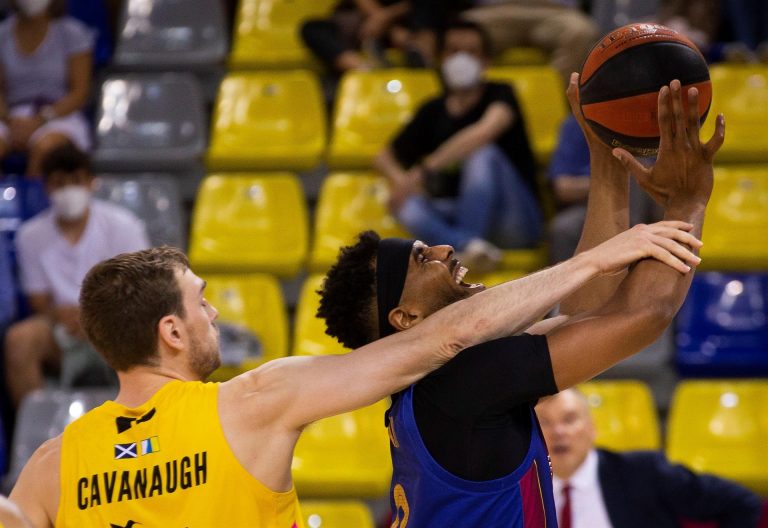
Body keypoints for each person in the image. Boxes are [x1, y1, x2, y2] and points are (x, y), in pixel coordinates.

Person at [9, 164, 705, 524]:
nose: (214, 312)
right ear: (170, 331)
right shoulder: (251, 402)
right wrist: (612, 249)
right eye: (200, 301)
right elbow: (450, 336)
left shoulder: (50, 465)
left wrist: (605, 175)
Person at [319, 75, 724, 526]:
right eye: (421, 258)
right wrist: (688, 201)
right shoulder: (462, 382)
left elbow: (584, 315)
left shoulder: (438, 385)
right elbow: (643, 314)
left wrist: (607, 157)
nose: (444, 249)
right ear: (406, 316)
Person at [375, 20, 542, 272]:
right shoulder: (432, 110)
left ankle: (463, 247)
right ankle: (469, 246)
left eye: (471, 52)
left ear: (486, 61)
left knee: (482, 153)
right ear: (441, 58)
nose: (461, 59)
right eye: (454, 51)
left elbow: (484, 132)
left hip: (512, 220)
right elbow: (382, 157)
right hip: (455, 211)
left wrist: (424, 170)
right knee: (403, 203)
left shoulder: (501, 93)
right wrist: (402, 182)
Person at [3, 143, 149, 408]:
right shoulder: (30, 235)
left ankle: (148, 419)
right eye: (60, 183)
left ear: (91, 182)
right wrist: (61, 315)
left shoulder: (123, 225)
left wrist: (95, 316)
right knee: (19, 340)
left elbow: (140, 288)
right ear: (46, 187)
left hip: (116, 323)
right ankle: (38, 429)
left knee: (152, 328)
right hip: (62, 327)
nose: (68, 189)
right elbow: (38, 299)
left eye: (76, 181)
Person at [536, 388, 762, 528]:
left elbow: (742, 502)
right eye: (545, 422)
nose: (558, 432)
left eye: (569, 419)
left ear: (592, 428)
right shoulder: (524, 489)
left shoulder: (643, 472)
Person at [0, 0, 94, 177]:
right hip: (12, 117)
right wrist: (10, 121)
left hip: (59, 114)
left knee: (45, 148)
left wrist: (40, 119)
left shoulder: (72, 33)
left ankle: (36, 195)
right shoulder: (2, 34)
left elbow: (79, 93)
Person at [461, 0, 599, 85]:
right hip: (497, 10)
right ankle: (465, 108)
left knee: (580, 31)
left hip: (555, 10)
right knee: (460, 31)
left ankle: (559, 104)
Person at [300, 0, 416, 74]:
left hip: (402, 25)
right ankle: (365, 69)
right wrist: (381, 20)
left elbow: (417, 5)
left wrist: (390, 23)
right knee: (313, 29)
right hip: (356, 25)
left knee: (418, 35)